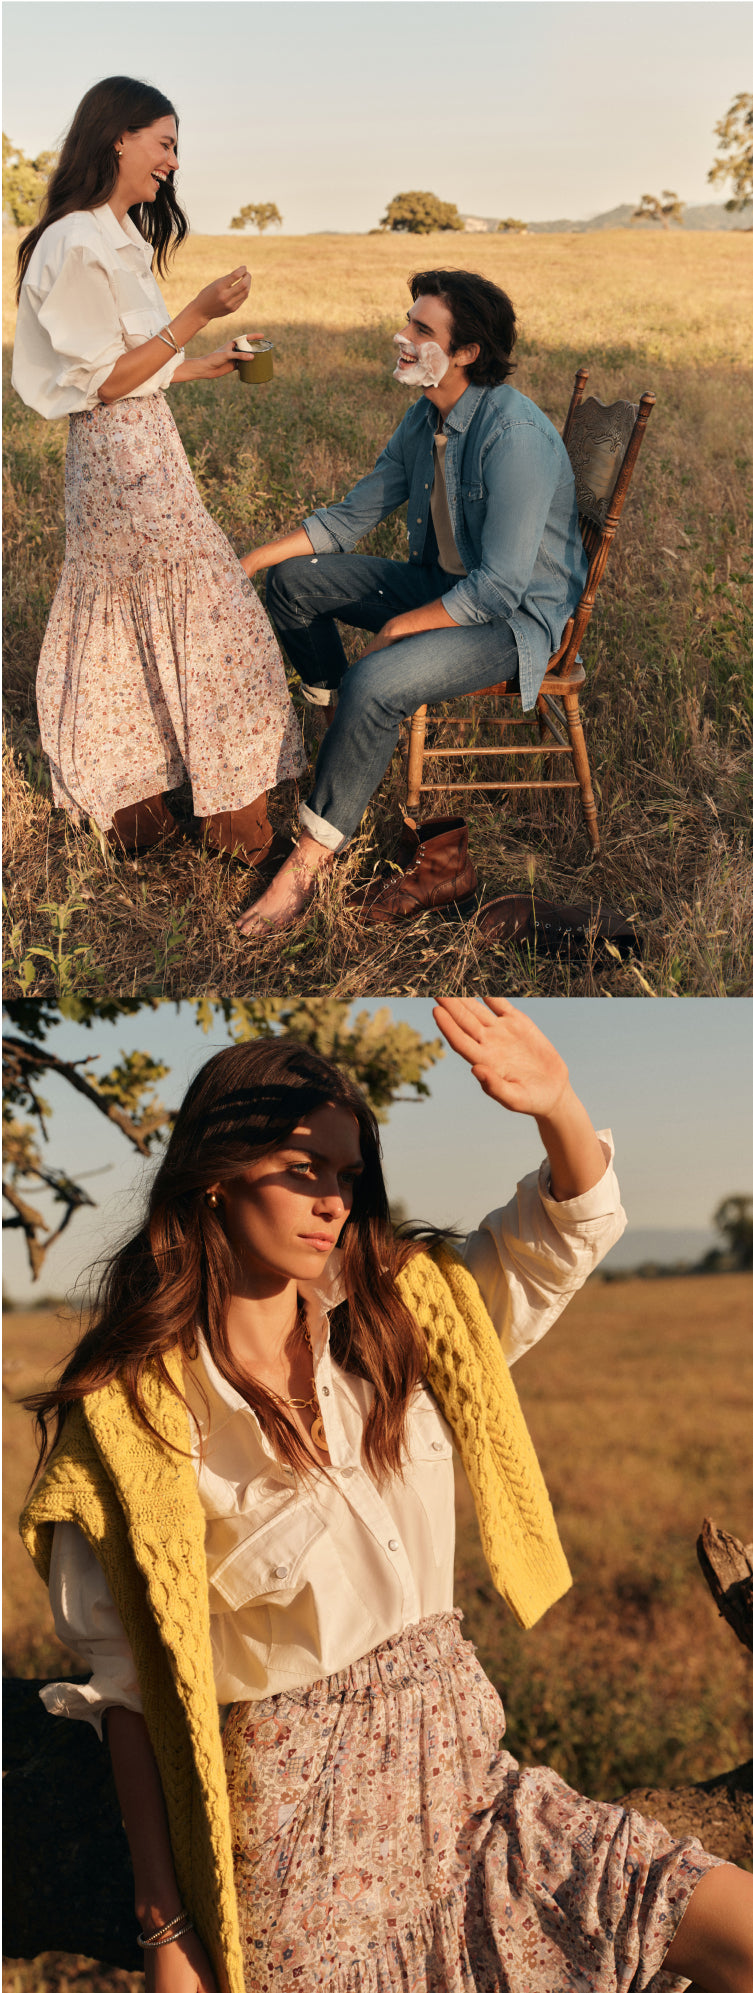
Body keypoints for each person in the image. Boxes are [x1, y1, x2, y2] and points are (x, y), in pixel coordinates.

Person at [21, 1000, 753, 1993]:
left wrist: (558, 1106)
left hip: (478, 1798)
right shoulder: (126, 1422)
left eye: (347, 1174)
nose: (332, 1200)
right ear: (215, 1175)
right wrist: (169, 1936)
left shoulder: (403, 1319)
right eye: (302, 1170)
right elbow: (132, 1697)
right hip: (308, 1871)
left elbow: (556, 1239)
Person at [235, 268, 588, 935]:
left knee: (378, 675)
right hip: (447, 587)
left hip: (511, 620)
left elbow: (502, 585)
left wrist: (400, 625)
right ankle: (339, 722)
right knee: (292, 583)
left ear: (465, 353)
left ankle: (304, 869)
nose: (401, 336)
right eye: (408, 320)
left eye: (421, 329)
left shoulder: (513, 437)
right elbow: (351, 514)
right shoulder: (425, 414)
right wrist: (248, 563)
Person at [12, 75, 305, 861]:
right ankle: (236, 827)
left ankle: (141, 812)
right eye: (165, 142)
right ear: (118, 136)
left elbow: (130, 363)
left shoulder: (120, 235)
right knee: (219, 620)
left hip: (142, 442)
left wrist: (207, 362)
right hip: (121, 456)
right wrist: (196, 313)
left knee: (137, 621)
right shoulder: (75, 239)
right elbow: (103, 382)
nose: (173, 162)